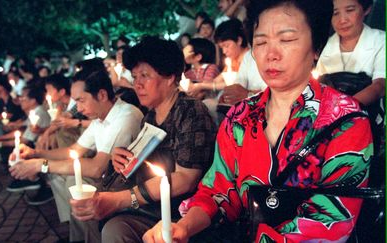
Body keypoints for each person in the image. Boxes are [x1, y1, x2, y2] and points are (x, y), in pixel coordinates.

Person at [143, 0, 373, 242]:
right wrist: (185, 226)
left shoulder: (346, 120)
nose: (270, 54)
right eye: (261, 42)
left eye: (286, 40)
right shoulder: (239, 116)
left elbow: (331, 221)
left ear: (316, 47)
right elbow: (217, 191)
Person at [69, 36, 217, 242]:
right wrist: (120, 158)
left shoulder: (190, 111)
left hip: (179, 212)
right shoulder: (150, 116)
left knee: (115, 229)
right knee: (93, 213)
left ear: (170, 77)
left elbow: (186, 179)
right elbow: (144, 161)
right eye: (134, 76)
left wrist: (121, 200)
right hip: (149, 205)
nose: (137, 83)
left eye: (145, 75)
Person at [9, 70, 144, 242]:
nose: (78, 108)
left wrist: (40, 165)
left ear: (102, 95)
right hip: (108, 178)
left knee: (76, 184)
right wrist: (35, 153)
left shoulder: (125, 117)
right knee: (66, 178)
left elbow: (97, 168)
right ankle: (78, 236)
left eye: (81, 100)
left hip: (125, 187)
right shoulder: (101, 118)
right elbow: (73, 150)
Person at [316, 0, 385, 107]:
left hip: (367, 117)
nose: (342, 20)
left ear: (366, 9)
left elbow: (380, 86)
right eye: (335, 13)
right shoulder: (323, 47)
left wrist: (342, 109)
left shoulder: (381, 40)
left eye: (350, 10)